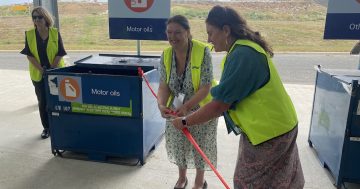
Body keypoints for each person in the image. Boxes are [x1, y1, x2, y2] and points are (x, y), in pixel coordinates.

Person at [172, 5, 305, 189]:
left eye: (211, 33)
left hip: (270, 133)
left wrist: (186, 121)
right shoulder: (241, 50)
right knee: (278, 180)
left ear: (226, 30)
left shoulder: (243, 55)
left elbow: (219, 105)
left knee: (247, 183)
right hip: (274, 126)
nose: (208, 39)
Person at [157, 15, 218, 189]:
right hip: (177, 109)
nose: (172, 37)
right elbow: (164, 85)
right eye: (169, 32)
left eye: (178, 32)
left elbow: (206, 86)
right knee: (179, 144)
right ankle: (182, 178)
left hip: (201, 107)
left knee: (201, 144)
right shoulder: (166, 54)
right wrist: (161, 105)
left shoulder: (202, 51)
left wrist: (187, 107)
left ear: (188, 32)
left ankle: (199, 181)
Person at [20, 6, 67, 139]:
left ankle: (59, 126)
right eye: (34, 18)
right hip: (38, 74)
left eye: (39, 17)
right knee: (43, 102)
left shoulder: (54, 33)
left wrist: (51, 69)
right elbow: (29, 54)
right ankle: (46, 128)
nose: (36, 20)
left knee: (58, 100)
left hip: (55, 71)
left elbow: (60, 52)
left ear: (45, 18)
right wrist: (42, 70)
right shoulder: (29, 34)